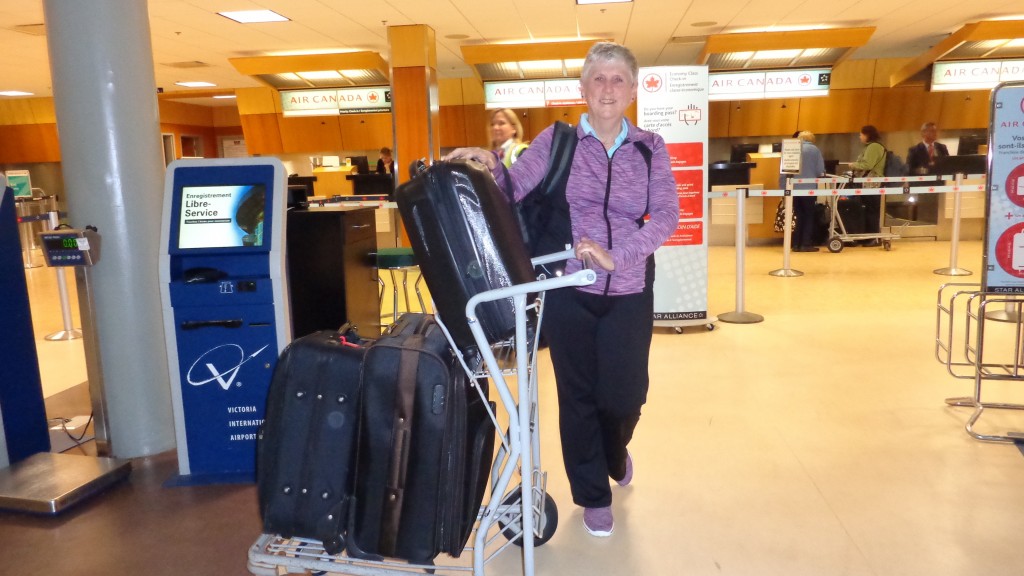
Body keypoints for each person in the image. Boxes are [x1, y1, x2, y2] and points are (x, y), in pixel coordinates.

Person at [444, 41, 678, 538]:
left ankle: (616, 452)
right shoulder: (559, 140)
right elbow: (514, 187)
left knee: (625, 395)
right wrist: (486, 163)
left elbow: (668, 215)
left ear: (633, 89)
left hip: (630, 287)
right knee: (578, 396)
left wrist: (623, 255)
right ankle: (593, 496)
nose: (608, 88)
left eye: (618, 79)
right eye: (599, 78)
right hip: (568, 286)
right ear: (583, 89)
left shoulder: (649, 147)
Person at [779, 131, 825, 252]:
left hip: (793, 189)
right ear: (811, 139)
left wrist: (783, 189)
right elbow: (820, 170)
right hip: (808, 189)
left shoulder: (791, 150)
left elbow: (784, 171)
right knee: (809, 215)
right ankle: (806, 244)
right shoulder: (814, 150)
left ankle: (795, 244)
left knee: (798, 215)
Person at [848, 124, 885, 244]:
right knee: (871, 210)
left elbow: (868, 165)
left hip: (871, 184)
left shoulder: (873, 147)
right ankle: (870, 237)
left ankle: (872, 238)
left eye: (861, 134)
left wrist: (853, 165)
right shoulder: (872, 147)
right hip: (871, 184)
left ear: (867, 135)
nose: (860, 136)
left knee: (871, 210)